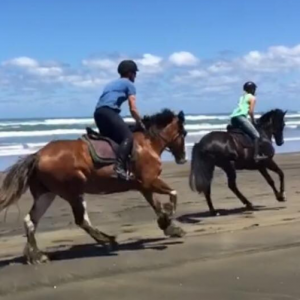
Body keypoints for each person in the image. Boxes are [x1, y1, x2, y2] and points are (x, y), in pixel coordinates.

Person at [94, 60, 145, 180]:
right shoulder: (129, 84)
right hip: (109, 112)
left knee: (113, 138)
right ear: (130, 73)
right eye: (134, 73)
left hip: (98, 113)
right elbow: (133, 108)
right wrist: (140, 121)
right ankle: (119, 167)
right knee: (128, 136)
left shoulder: (111, 84)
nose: (135, 76)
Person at [230, 81, 267, 161]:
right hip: (241, 117)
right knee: (256, 135)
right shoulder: (252, 98)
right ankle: (256, 156)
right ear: (253, 89)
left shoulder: (241, 97)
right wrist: (253, 120)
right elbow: (250, 111)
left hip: (233, 118)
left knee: (242, 133)